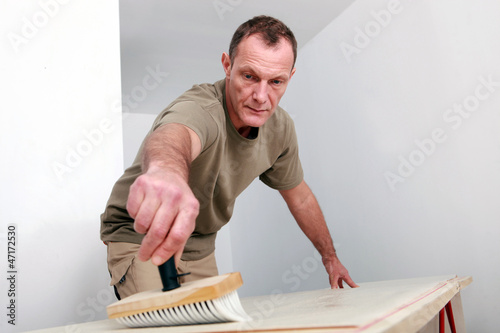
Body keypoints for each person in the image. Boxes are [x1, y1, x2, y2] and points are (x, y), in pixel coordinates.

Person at [100, 15, 358, 300]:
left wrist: (330, 258)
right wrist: (165, 171)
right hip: (142, 235)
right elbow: (174, 137)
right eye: (249, 76)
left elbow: (301, 197)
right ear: (227, 65)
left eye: (275, 81)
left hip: (199, 246)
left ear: (290, 77)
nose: (261, 96)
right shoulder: (202, 107)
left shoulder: (281, 129)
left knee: (218, 326)